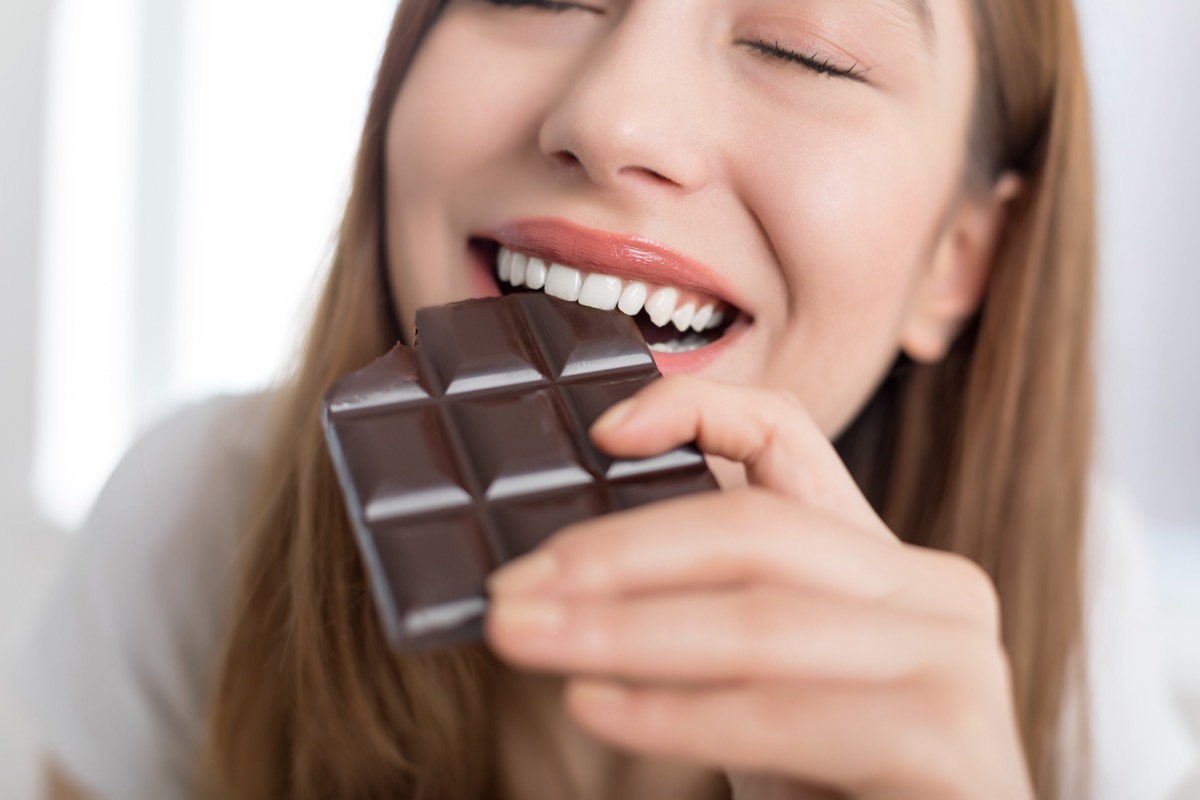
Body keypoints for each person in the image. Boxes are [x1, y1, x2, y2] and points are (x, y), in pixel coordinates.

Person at [23, 0, 1197, 798]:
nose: (611, 118)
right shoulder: (195, 530)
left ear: (960, 259)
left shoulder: (1064, 617)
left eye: (809, 47)